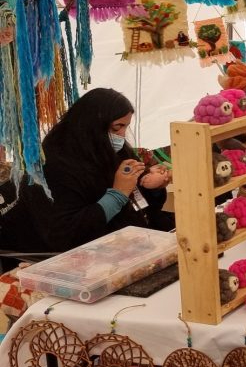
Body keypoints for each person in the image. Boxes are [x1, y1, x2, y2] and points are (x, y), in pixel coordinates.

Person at [37, 88, 173, 252]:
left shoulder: (113, 150)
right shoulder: (55, 164)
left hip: (134, 239)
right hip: (91, 254)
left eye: (125, 127)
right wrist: (117, 195)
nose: (122, 135)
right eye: (117, 128)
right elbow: (66, 233)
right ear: (93, 125)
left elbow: (145, 207)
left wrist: (152, 186)